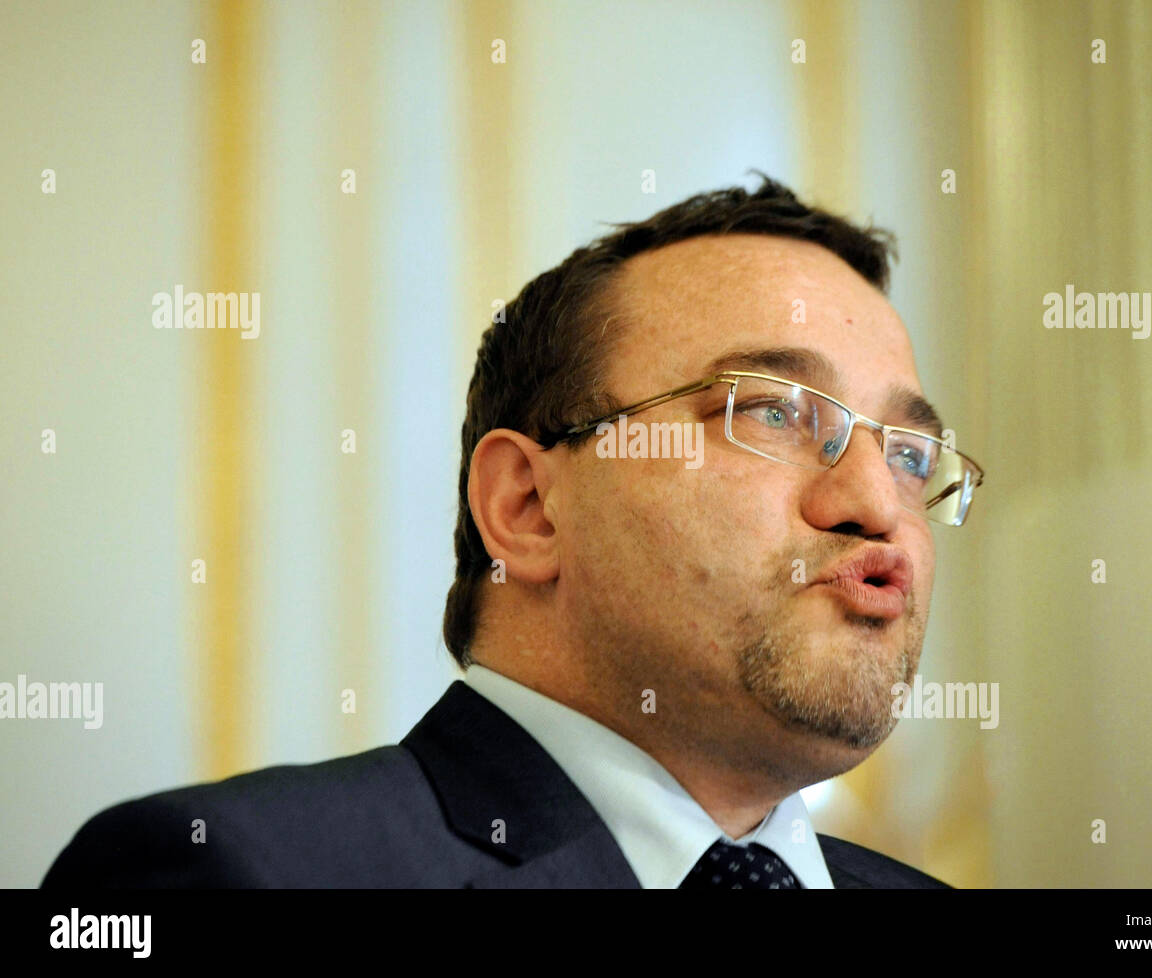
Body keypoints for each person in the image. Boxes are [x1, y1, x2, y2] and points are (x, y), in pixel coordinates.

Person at [43, 173, 984, 889]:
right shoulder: (230, 873)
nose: (876, 501)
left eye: (911, 453)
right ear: (528, 509)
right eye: (775, 410)